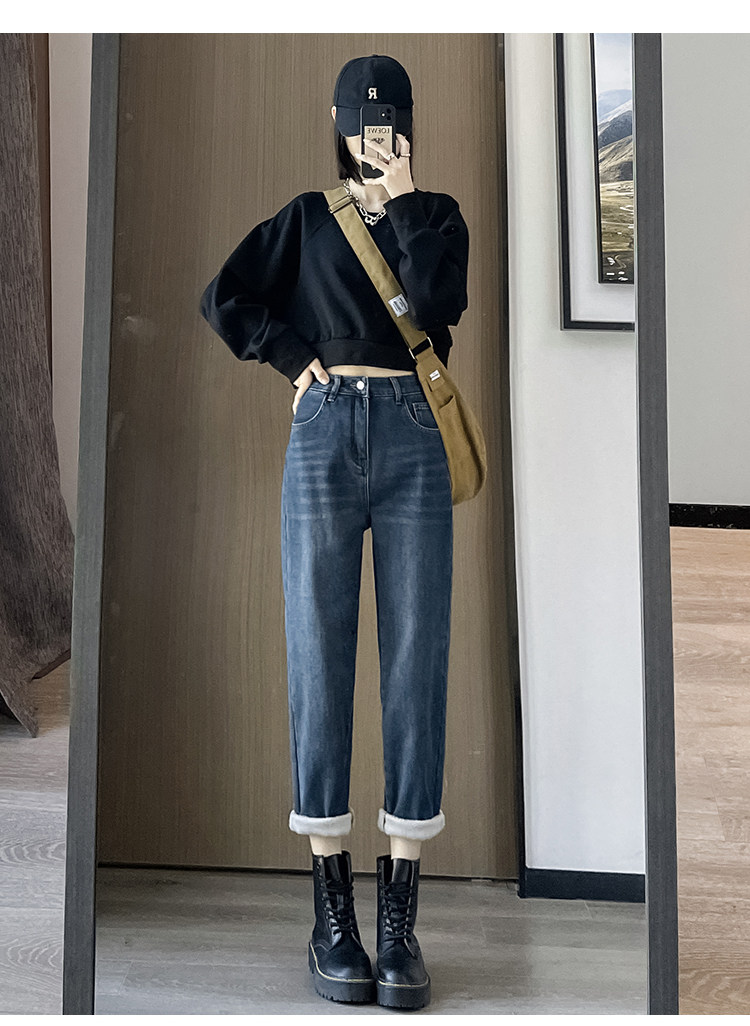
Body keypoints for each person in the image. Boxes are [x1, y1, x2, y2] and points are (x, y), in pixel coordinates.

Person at [200, 53, 469, 1011]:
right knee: (318, 652)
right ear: (337, 120)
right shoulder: (309, 219)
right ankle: (331, 913)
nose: (375, 135)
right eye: (362, 119)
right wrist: (290, 356)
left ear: (409, 124)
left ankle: (400, 919)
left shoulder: (437, 217)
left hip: (414, 433)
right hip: (324, 431)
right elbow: (225, 295)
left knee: (416, 657)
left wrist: (405, 203)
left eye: (390, 120)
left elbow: (436, 309)